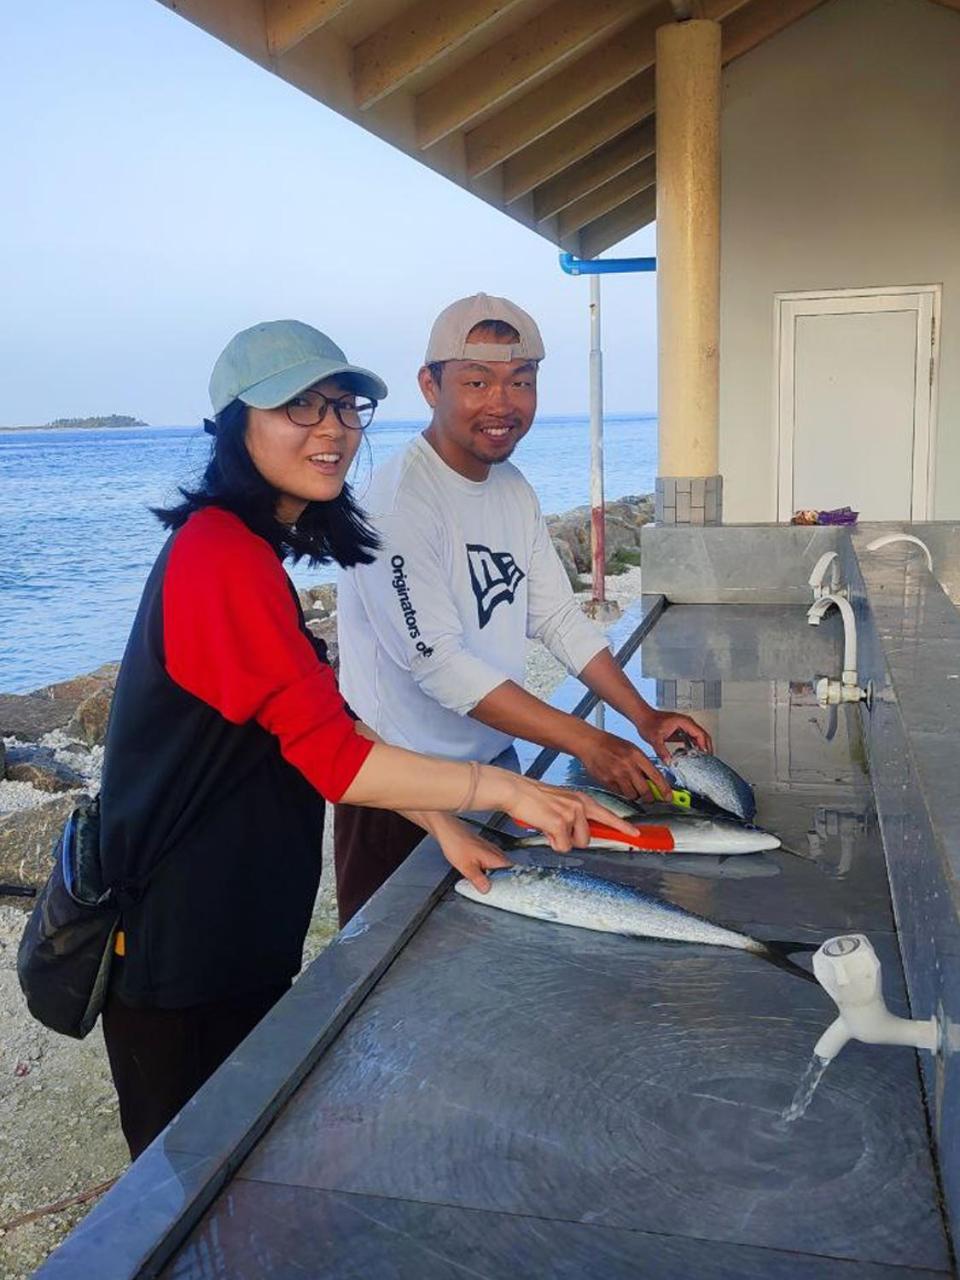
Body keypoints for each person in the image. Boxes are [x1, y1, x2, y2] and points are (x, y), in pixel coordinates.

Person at [96, 319, 634, 1160]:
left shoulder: (251, 552)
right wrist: (507, 790)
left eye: (344, 407)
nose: (332, 428)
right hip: (178, 941)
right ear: (236, 424)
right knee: (192, 1184)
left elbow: (321, 717)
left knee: (259, 1157)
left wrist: (442, 825)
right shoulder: (216, 556)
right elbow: (336, 762)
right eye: (298, 407)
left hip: (244, 919)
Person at [335, 294, 712, 925]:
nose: (501, 403)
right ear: (430, 385)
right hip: (401, 791)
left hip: (493, 772)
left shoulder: (511, 488)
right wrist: (589, 742)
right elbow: (441, 667)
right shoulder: (397, 503)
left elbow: (557, 618)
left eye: (521, 381)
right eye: (476, 381)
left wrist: (642, 716)